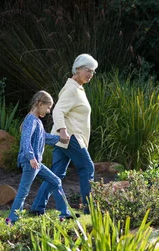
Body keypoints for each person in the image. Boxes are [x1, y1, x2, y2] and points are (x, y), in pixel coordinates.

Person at [30, 53, 97, 216]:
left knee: (56, 173)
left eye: (93, 72)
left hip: (65, 138)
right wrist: (63, 131)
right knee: (87, 168)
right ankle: (90, 210)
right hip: (70, 137)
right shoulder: (72, 89)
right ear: (78, 68)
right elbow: (58, 110)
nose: (90, 74)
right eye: (87, 70)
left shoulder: (78, 88)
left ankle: (37, 207)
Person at [6, 90, 73, 224]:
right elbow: (25, 141)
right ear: (39, 103)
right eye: (48, 107)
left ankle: (65, 213)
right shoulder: (31, 120)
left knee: (56, 181)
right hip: (31, 162)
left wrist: (60, 138)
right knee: (23, 191)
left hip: (36, 162)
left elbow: (44, 138)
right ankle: (12, 220)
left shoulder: (36, 121)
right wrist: (31, 157)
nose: (48, 111)